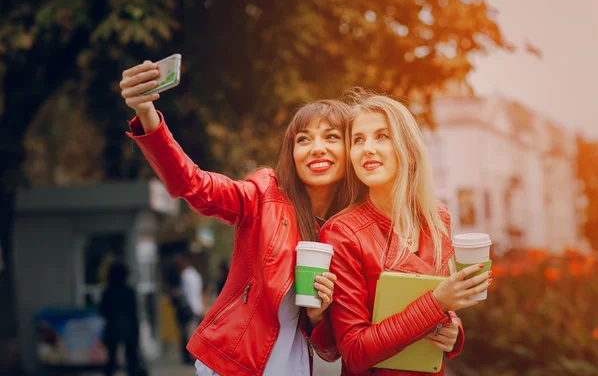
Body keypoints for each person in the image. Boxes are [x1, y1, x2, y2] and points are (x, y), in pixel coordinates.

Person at [119, 60, 347, 375]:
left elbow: (331, 348)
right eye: (304, 139)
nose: (317, 148)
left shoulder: (346, 230)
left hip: (293, 364)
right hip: (234, 362)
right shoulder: (264, 193)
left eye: (332, 137)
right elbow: (195, 185)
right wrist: (146, 114)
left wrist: (320, 316)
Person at [318, 92, 493, 375]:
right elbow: (354, 351)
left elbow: (442, 306)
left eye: (382, 136)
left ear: (409, 150)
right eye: (358, 140)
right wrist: (437, 304)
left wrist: (453, 330)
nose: (367, 149)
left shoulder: (437, 218)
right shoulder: (343, 233)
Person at [99, 262, 141, 376]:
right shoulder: (129, 292)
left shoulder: (108, 292)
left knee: (111, 358)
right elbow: (133, 313)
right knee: (132, 358)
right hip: (128, 328)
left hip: (112, 327)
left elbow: (102, 310)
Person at [169, 253, 204, 364]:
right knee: (191, 332)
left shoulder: (185, 275)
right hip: (195, 308)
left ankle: (191, 356)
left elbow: (188, 294)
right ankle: (192, 356)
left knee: (188, 333)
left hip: (189, 309)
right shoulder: (194, 274)